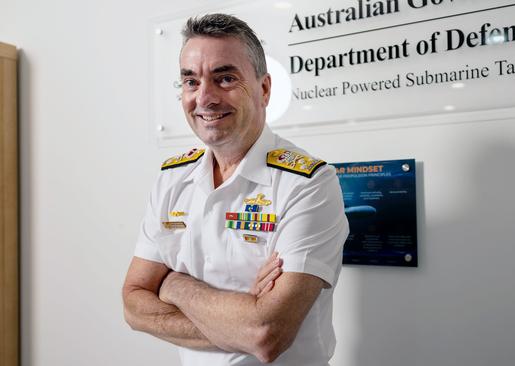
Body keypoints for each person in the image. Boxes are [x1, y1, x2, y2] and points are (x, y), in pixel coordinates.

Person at [121, 13, 349, 366]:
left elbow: (267, 334)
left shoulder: (307, 184)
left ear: (264, 89)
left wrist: (173, 285)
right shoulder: (171, 180)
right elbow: (134, 303)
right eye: (191, 82)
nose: (205, 98)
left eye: (225, 78)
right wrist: (240, 320)